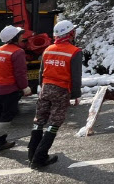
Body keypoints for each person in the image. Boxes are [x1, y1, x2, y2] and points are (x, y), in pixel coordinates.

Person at [28, 20, 82, 169]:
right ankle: (39, 158)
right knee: (54, 123)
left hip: (45, 87)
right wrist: (75, 95)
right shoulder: (75, 51)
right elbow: (76, 77)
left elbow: (41, 72)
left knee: (39, 120)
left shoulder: (48, 49)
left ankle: (32, 153)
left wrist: (41, 87)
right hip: (61, 89)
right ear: (70, 33)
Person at [0, 25, 31, 152]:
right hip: (9, 90)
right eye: (20, 35)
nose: (22, 36)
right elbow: (20, 73)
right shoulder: (17, 52)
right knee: (7, 115)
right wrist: (25, 87)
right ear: (15, 38)